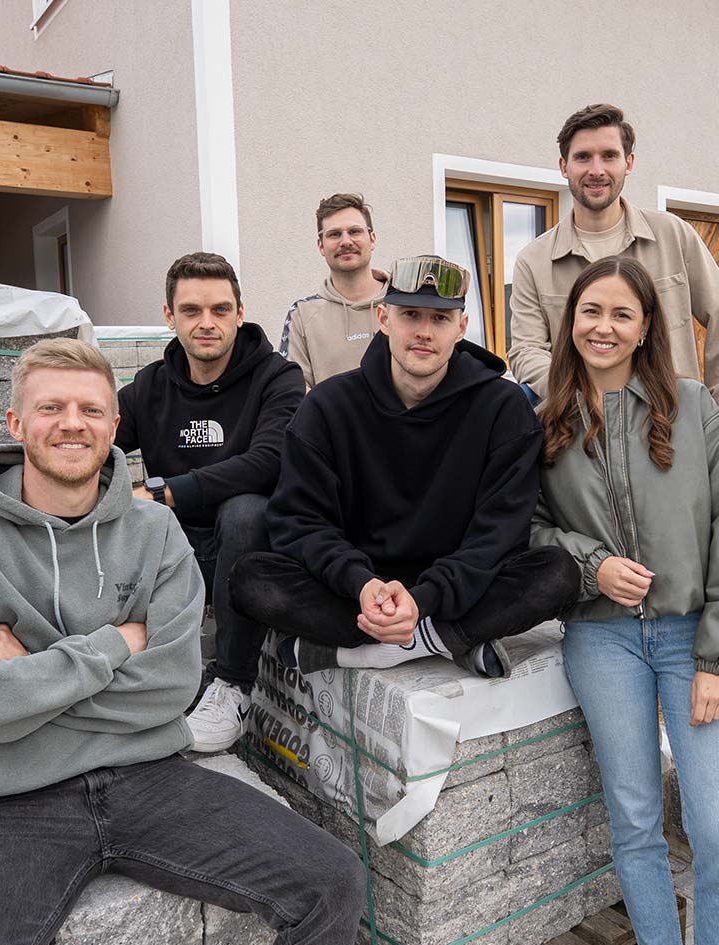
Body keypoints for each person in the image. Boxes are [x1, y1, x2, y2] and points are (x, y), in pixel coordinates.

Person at [0, 340, 363, 945]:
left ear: (115, 424)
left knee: (333, 882)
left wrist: (28, 676)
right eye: (51, 407)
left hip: (151, 778)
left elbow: (172, 686)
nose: (70, 423)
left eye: (90, 409)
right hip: (14, 798)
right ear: (16, 422)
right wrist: (115, 643)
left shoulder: (155, 532)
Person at [531, 256, 719, 945]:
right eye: (590, 311)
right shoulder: (544, 417)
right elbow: (525, 528)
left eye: (621, 314)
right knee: (633, 821)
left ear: (644, 328)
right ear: (570, 323)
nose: (603, 327)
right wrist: (590, 563)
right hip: (601, 641)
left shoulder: (692, 406)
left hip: (694, 638)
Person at [233, 255, 580, 678]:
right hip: (358, 590)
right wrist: (361, 583)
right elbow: (300, 522)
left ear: (461, 327)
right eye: (410, 314)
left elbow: (499, 534)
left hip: (457, 585)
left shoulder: (503, 408)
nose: (423, 332)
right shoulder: (327, 407)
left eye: (440, 318)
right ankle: (447, 639)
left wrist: (425, 598)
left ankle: (373, 650)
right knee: (252, 578)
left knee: (557, 573)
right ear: (384, 318)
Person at [116, 252, 304, 752]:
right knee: (106, 505)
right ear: (169, 316)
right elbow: (96, 442)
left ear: (239, 314)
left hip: (252, 550)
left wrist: (162, 491)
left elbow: (270, 460)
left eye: (220, 309)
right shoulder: (150, 386)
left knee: (245, 508)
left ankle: (233, 684)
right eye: (191, 310)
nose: (207, 323)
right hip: (176, 546)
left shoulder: (278, 377)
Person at [508, 103, 719, 405]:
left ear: (628, 163)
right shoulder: (534, 261)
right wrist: (582, 398)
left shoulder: (673, 235)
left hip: (672, 421)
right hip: (582, 426)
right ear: (564, 166)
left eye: (609, 156)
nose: (596, 170)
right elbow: (527, 351)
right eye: (583, 157)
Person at [280, 193, 389, 388]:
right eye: (334, 234)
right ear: (321, 246)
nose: (346, 241)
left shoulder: (402, 304)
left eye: (355, 231)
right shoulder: (302, 315)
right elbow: (294, 390)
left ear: (372, 239)